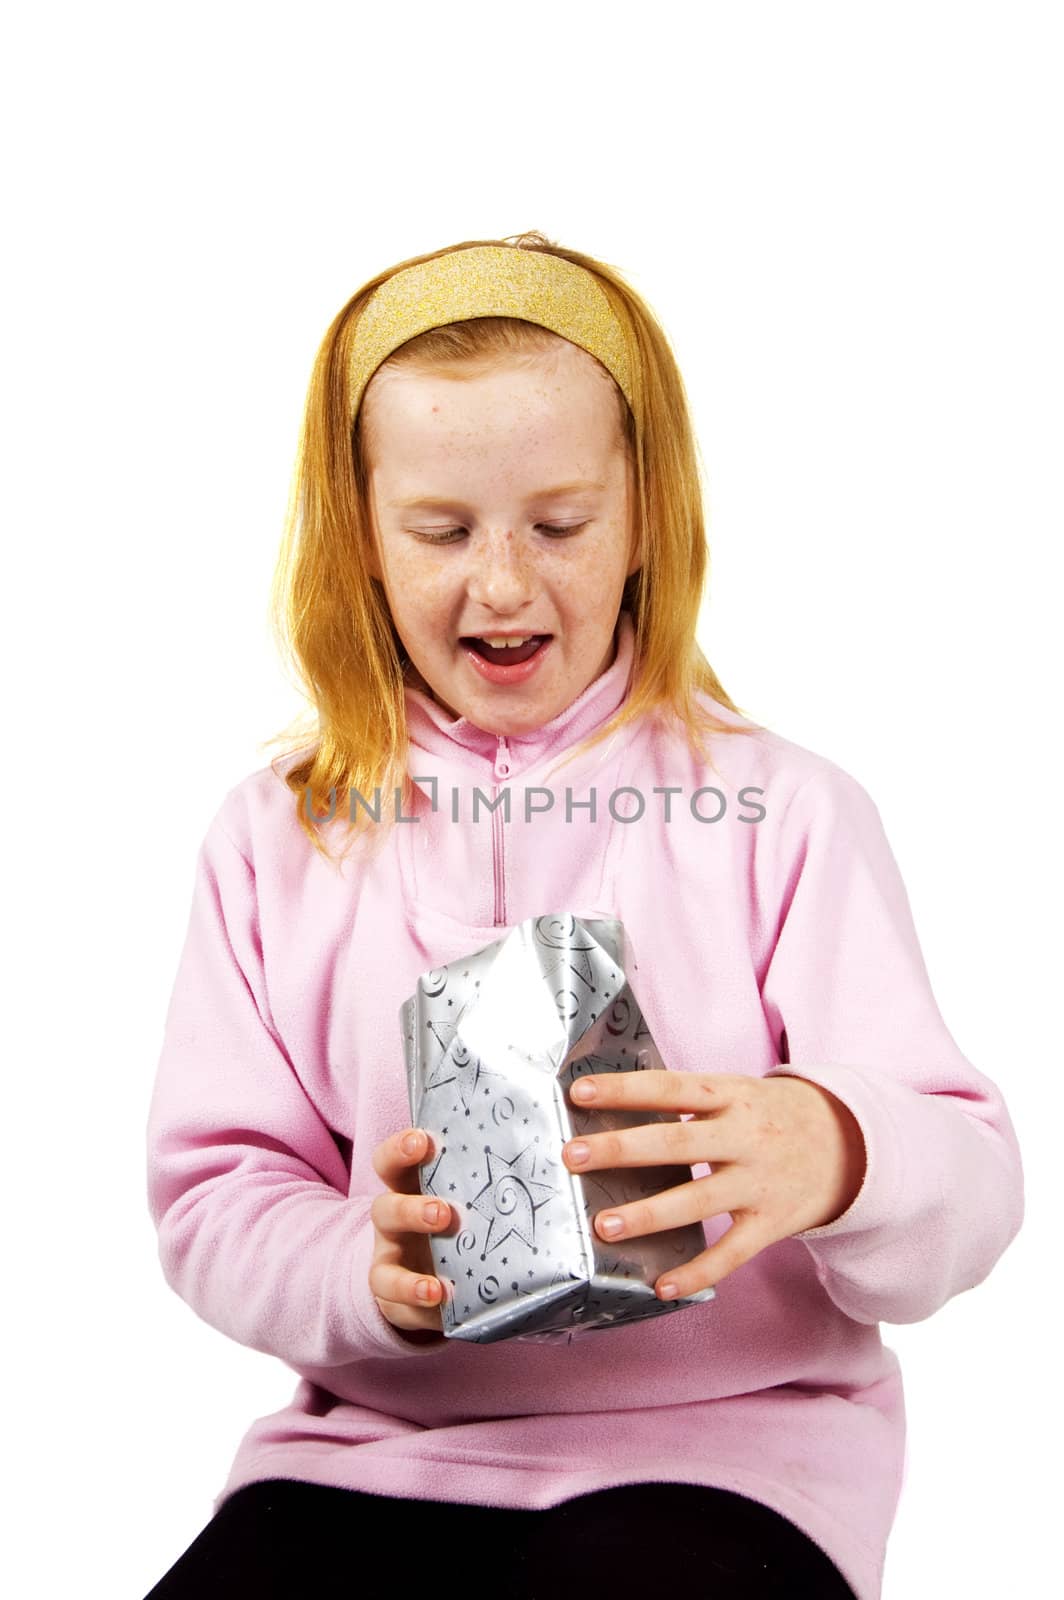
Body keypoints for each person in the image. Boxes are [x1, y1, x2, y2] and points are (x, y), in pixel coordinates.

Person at [142, 232, 1025, 1600]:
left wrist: (841, 1148)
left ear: (645, 522)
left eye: (560, 525)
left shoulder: (781, 812)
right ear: (363, 535)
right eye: (442, 530)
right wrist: (357, 1271)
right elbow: (217, 1195)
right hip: (373, 1453)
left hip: (729, 1457)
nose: (502, 584)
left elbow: (972, 1180)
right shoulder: (279, 838)